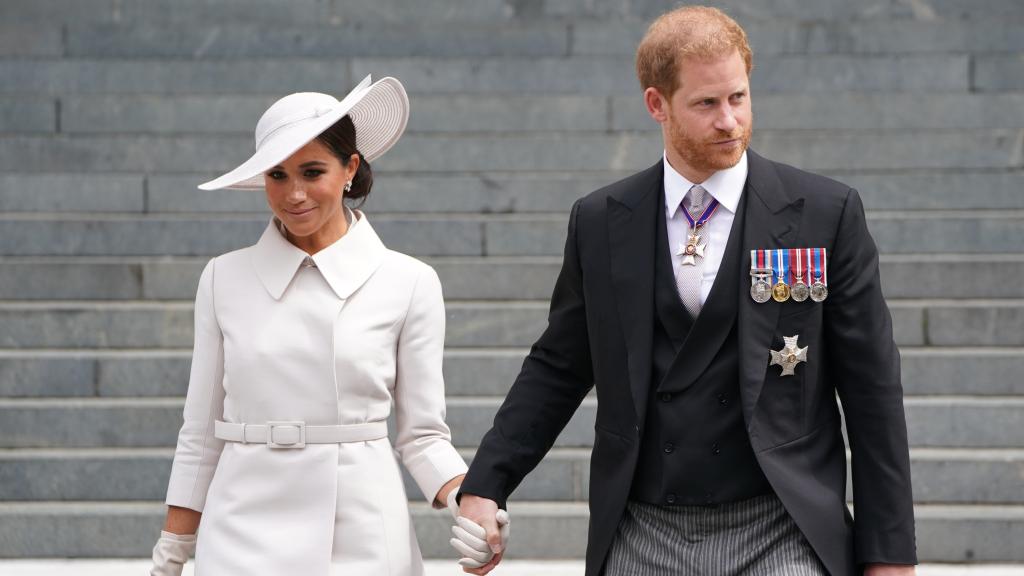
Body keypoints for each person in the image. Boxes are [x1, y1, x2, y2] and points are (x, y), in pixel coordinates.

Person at [451, 6, 918, 576]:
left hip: (783, 527)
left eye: (739, 97)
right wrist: (486, 485)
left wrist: (890, 556)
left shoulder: (825, 212)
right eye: (706, 103)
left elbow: (873, 390)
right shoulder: (600, 220)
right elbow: (558, 365)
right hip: (641, 528)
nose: (730, 122)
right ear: (657, 105)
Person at [148, 75, 469, 576]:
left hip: (362, 530)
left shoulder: (409, 282)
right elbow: (201, 433)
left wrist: (470, 503)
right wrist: (173, 548)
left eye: (312, 171)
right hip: (240, 528)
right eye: (277, 175)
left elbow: (424, 435)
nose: (293, 193)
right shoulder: (222, 279)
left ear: (350, 169)